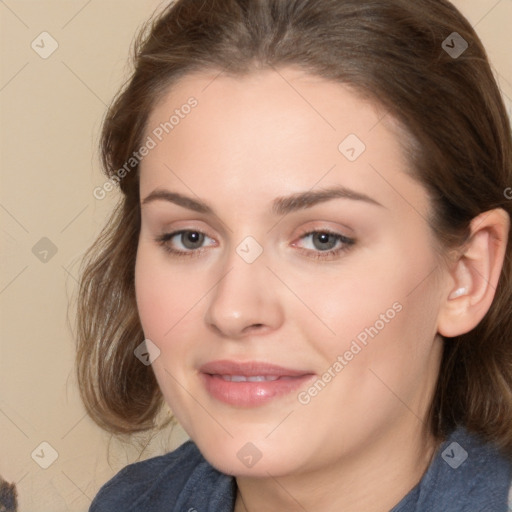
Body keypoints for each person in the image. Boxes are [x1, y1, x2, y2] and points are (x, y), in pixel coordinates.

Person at [76, 0, 512, 510]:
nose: (233, 310)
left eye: (322, 239)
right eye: (189, 237)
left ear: (466, 275)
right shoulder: (132, 502)